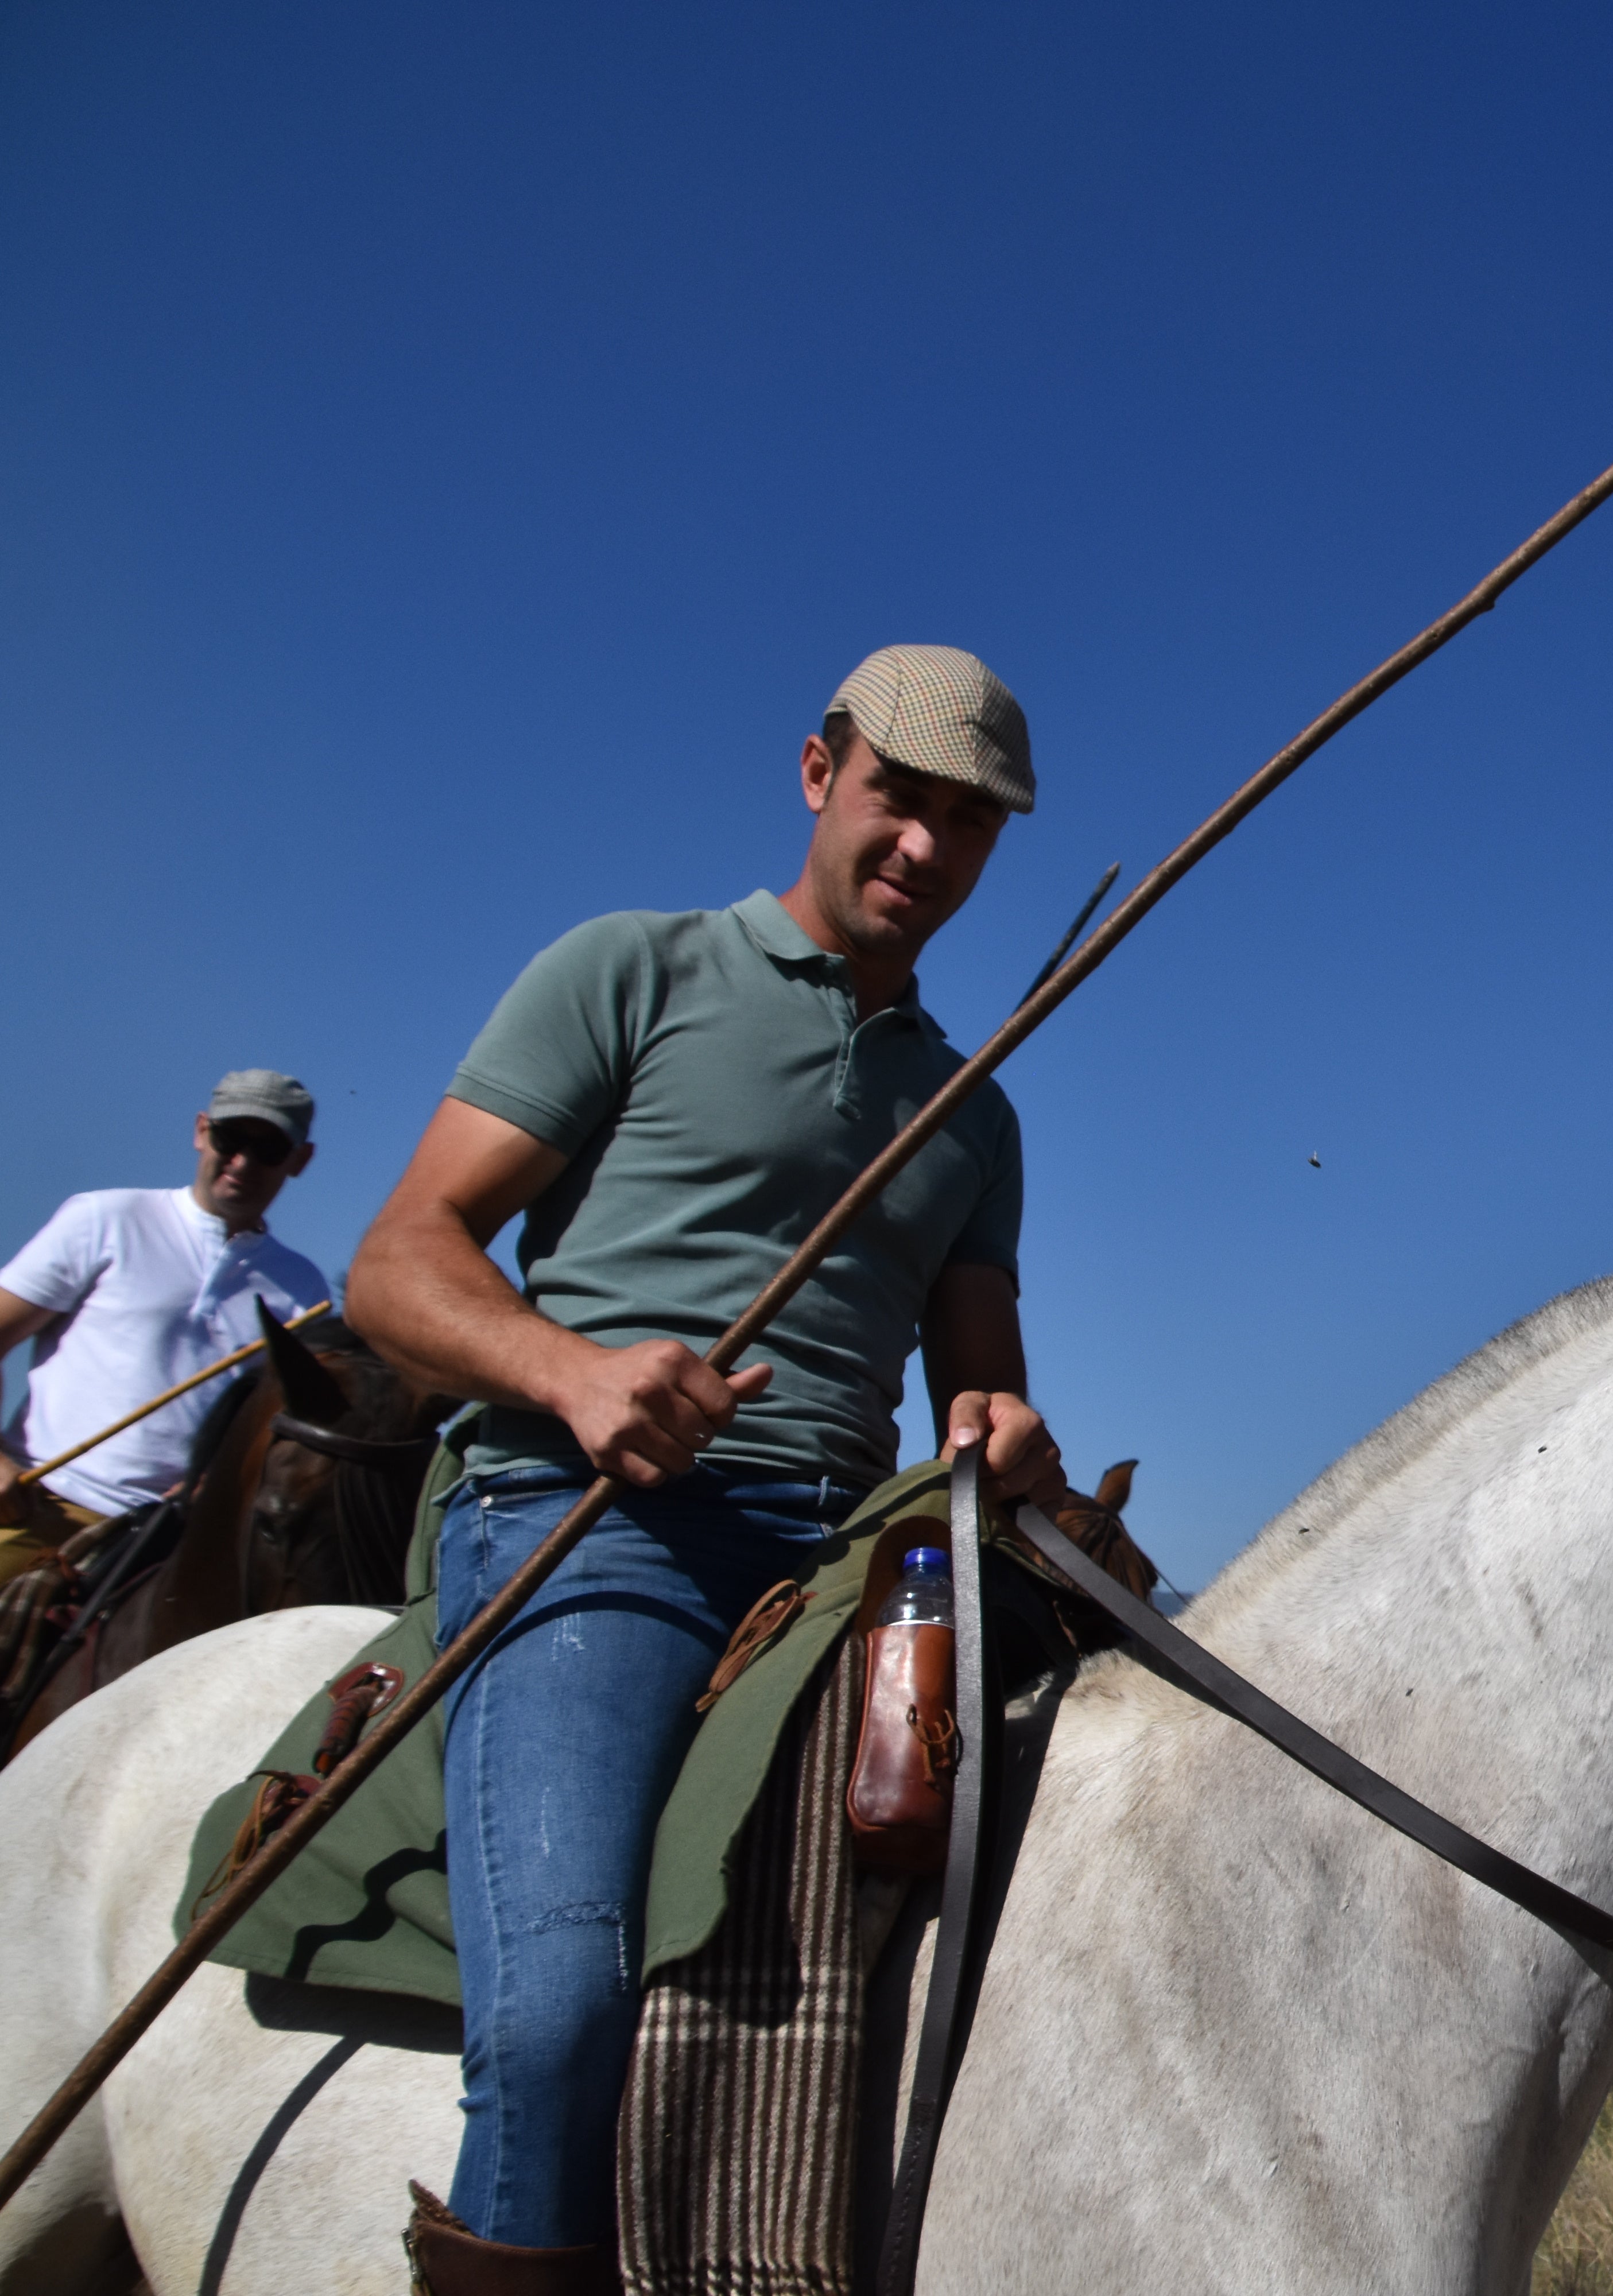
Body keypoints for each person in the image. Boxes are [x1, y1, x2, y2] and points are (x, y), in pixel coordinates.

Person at [350, 646, 1069, 2288]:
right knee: (565, 2001)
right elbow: (396, 1264)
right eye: (901, 800)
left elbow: (986, 1398)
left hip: (851, 1563)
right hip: (594, 1521)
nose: (925, 851)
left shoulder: (972, 1116)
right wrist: (573, 1374)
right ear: (820, 772)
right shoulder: (634, 971)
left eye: (970, 827)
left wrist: (1009, 1439)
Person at [0, 1071, 333, 1581]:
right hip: (38, 1504)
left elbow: (279, 1430)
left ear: (300, 1160)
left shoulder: (305, 1291)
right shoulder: (105, 1218)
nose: (243, 1161)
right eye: (232, 1138)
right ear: (202, 1131)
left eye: (268, 1148)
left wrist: (214, 1486)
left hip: (168, 1546)